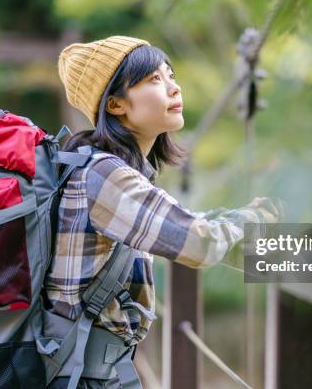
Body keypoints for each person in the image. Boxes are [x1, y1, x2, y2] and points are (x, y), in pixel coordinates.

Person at [46, 35, 286, 388]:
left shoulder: (105, 170)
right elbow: (197, 243)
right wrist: (258, 217)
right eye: (154, 80)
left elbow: (183, 223)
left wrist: (231, 219)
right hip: (83, 376)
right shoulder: (103, 175)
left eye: (170, 75)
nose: (174, 88)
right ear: (115, 105)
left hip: (87, 369)